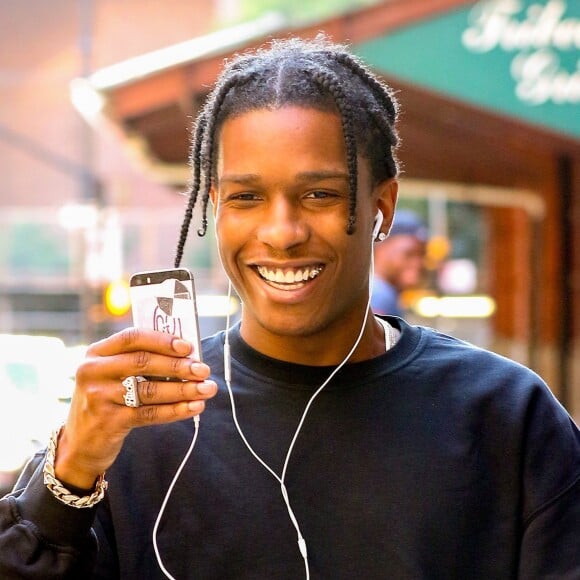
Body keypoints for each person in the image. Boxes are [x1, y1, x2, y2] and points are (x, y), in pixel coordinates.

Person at [1, 36, 579, 580]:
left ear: (381, 205)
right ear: (216, 209)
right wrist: (70, 472)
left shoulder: (507, 416)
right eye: (247, 197)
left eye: (319, 194)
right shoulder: (136, 425)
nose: (281, 232)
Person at [371, 208, 427, 317]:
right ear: (381, 249)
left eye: (422, 255)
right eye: (409, 254)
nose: (418, 264)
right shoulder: (379, 296)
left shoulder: (380, 292)